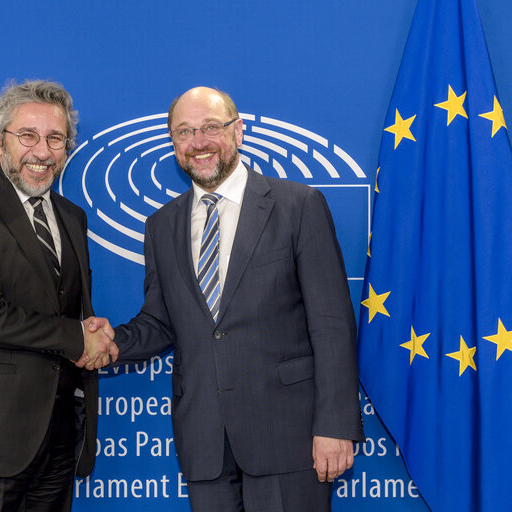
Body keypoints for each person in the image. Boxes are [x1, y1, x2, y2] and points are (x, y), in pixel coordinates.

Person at [89, 86, 364, 511]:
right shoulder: (161, 226)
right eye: (184, 132)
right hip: (205, 441)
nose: (198, 143)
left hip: (289, 438)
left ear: (238, 132)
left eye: (211, 128)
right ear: (174, 144)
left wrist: (335, 425)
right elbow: (161, 322)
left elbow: (331, 325)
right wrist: (109, 342)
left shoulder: (298, 206)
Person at [0, 79, 117, 512]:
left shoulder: (72, 216)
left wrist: (89, 328)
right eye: (28, 136)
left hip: (59, 434)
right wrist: (75, 338)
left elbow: (64, 307)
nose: (42, 151)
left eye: (55, 138)